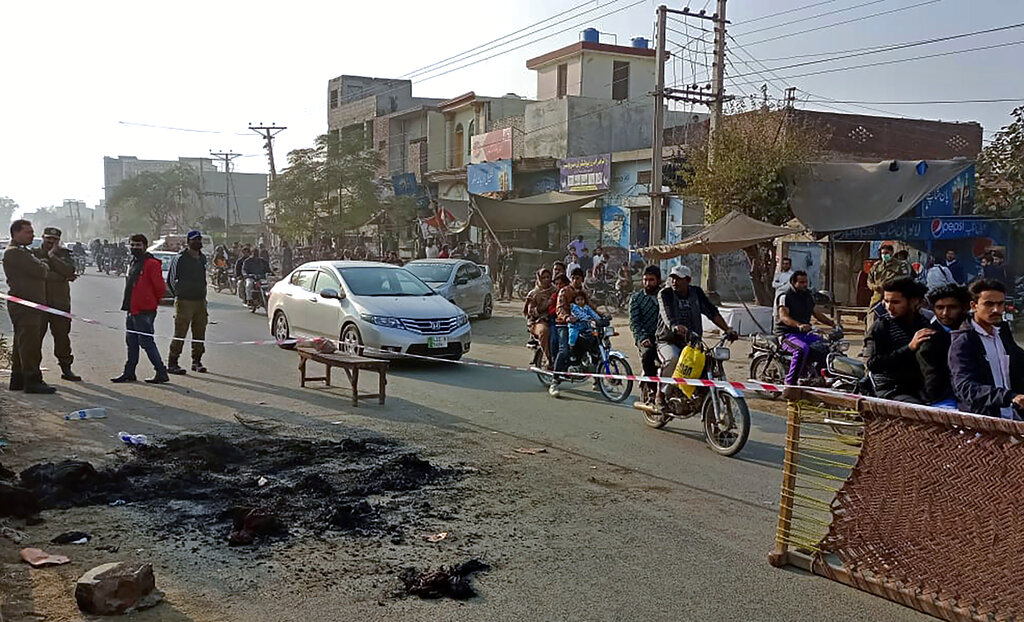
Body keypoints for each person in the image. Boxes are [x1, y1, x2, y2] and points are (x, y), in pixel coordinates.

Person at [949, 279, 1024, 419]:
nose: (996, 310)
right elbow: (965, 387)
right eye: (989, 304)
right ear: (974, 305)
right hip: (983, 420)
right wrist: (1008, 397)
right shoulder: (964, 341)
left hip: (1013, 414)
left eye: (1000, 304)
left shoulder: (1002, 331)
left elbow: (1019, 362)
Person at [3, 220, 56, 393]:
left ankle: (18, 379)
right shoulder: (15, 253)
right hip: (25, 304)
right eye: (28, 232)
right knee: (30, 344)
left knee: (22, 343)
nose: (32, 235)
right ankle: (32, 380)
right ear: (16, 232)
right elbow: (42, 270)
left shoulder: (22, 252)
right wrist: (43, 265)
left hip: (29, 303)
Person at [111, 234, 170, 384]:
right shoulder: (133, 262)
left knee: (146, 342)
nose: (135, 248)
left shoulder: (151, 263)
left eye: (138, 245)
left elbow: (160, 287)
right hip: (132, 308)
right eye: (132, 245)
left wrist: (150, 301)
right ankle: (129, 372)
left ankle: (161, 372)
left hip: (144, 310)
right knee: (131, 342)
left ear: (145, 246)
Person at [863, 277, 931, 403]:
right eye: (886, 301)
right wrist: (909, 348)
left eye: (896, 302)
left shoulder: (923, 323)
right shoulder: (881, 326)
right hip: (890, 389)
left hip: (919, 388)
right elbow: (873, 364)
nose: (889, 307)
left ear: (912, 302)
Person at [656, 264, 736, 367]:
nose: (674, 282)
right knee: (672, 359)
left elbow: (712, 312)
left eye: (679, 279)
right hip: (669, 341)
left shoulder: (696, 293)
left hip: (692, 341)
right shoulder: (666, 293)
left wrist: (727, 329)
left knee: (705, 363)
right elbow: (667, 313)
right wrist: (675, 326)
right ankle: (664, 383)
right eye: (673, 278)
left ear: (688, 280)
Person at [35, 227, 81, 381]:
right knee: (35, 338)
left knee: (62, 337)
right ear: (43, 237)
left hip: (60, 303)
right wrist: (62, 278)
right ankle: (34, 371)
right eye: (48, 238)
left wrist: (52, 256)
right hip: (39, 302)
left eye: (54, 239)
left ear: (58, 240)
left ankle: (66, 368)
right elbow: (38, 274)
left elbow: (69, 270)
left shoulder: (64, 254)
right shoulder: (33, 254)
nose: (50, 241)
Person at [775, 270, 835, 386]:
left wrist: (832, 324)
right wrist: (799, 325)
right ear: (793, 283)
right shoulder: (785, 295)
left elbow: (816, 313)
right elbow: (783, 317)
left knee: (826, 346)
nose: (804, 285)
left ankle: (818, 377)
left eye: (806, 282)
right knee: (801, 350)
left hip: (804, 334)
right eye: (801, 282)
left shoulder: (808, 295)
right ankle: (790, 383)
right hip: (787, 334)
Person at [917, 284, 969, 408]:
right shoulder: (929, 338)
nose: (945, 313)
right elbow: (932, 379)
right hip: (943, 399)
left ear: (963, 308)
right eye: (940, 308)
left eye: (952, 307)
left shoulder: (974, 331)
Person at [165, 230, 209, 375]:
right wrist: (178, 295)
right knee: (180, 332)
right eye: (195, 240)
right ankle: (173, 362)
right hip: (184, 301)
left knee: (200, 332)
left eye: (199, 240)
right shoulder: (181, 258)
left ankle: (196, 361)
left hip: (200, 301)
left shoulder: (202, 258)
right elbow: (170, 280)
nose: (198, 242)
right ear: (188, 242)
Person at [548, 269, 586, 397]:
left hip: (580, 323)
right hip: (563, 323)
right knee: (564, 350)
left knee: (593, 344)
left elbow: (591, 305)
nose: (576, 280)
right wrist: (566, 317)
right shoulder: (564, 291)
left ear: (582, 279)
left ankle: (598, 380)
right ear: (571, 278)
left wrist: (601, 315)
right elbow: (559, 308)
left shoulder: (584, 292)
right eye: (574, 278)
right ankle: (554, 381)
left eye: (579, 278)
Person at [629, 266, 661, 394]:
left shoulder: (665, 296)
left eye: (651, 280)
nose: (648, 283)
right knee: (648, 354)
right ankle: (653, 389)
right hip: (645, 337)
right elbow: (634, 323)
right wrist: (642, 338)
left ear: (658, 280)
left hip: (664, 336)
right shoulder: (637, 298)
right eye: (645, 280)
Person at [867, 244, 909, 332]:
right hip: (877, 298)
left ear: (892, 253)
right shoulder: (876, 266)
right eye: (882, 253)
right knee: (871, 320)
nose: (884, 255)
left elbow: (906, 281)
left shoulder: (900, 266)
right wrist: (874, 287)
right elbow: (869, 281)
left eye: (886, 253)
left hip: (893, 298)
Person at [523, 268, 557, 368]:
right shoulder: (533, 294)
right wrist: (545, 305)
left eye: (548, 277)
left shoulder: (556, 290)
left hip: (555, 318)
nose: (546, 279)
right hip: (538, 321)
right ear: (539, 279)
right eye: (543, 278)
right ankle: (548, 358)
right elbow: (530, 312)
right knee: (544, 331)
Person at [568, 291, 601, 361]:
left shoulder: (586, 307)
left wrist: (599, 319)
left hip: (586, 327)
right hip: (575, 327)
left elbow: (593, 313)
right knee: (573, 336)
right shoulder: (573, 307)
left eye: (581, 299)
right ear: (574, 300)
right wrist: (588, 318)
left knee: (595, 335)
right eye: (578, 300)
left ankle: (593, 350)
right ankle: (571, 350)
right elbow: (580, 314)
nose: (580, 301)